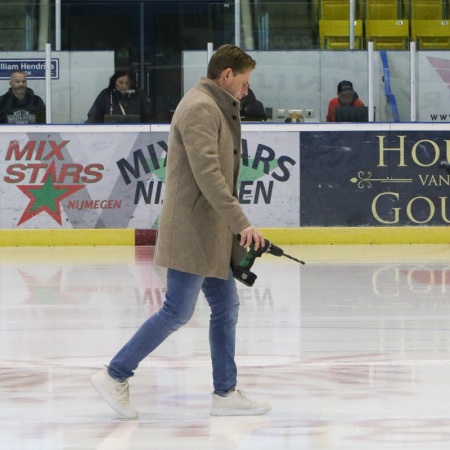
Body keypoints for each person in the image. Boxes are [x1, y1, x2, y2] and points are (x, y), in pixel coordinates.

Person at [90, 44, 272, 419]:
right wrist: (242, 223)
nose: (246, 90)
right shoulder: (201, 108)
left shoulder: (214, 105)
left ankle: (225, 392)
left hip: (211, 229)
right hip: (193, 229)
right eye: (244, 81)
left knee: (225, 307)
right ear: (226, 76)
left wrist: (231, 225)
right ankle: (115, 374)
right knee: (176, 310)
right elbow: (209, 174)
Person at [86, 69, 153, 123]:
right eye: (120, 83)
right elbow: (94, 117)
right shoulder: (106, 95)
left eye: (127, 83)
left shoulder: (139, 95)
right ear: (114, 82)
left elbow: (148, 117)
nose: (124, 86)